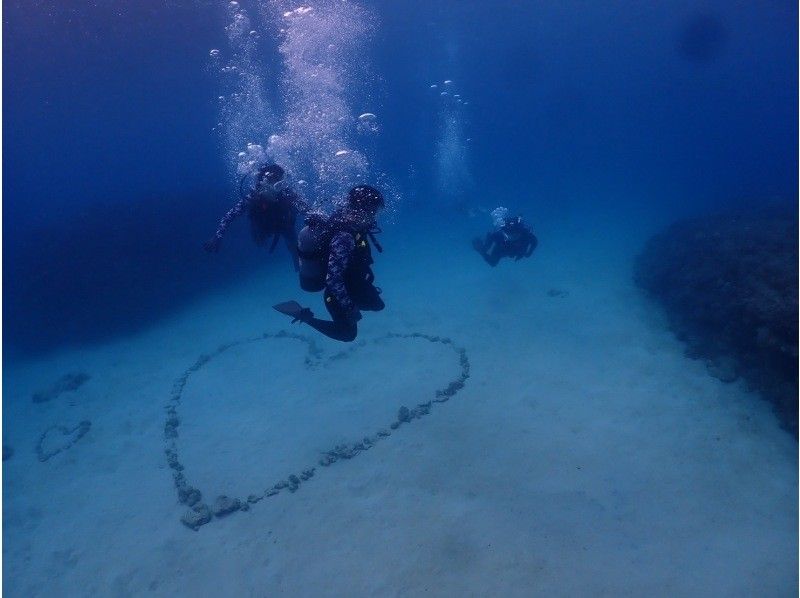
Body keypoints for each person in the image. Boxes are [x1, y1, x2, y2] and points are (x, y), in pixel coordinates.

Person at [273, 185, 385, 342]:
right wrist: (349, 307)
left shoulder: (350, 222)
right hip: (335, 293)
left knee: (378, 305)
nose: (374, 217)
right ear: (362, 210)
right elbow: (333, 280)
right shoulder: (344, 236)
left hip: (351, 282)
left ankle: (354, 300)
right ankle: (303, 316)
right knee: (348, 334)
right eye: (374, 212)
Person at [204, 163, 307, 270]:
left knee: (294, 246)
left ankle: (299, 268)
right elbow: (229, 216)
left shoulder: (287, 194)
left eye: (279, 181)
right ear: (262, 182)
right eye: (272, 180)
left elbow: (307, 210)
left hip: (284, 225)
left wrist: (317, 220)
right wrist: (217, 236)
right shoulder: (252, 198)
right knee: (260, 240)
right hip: (262, 226)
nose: (277, 186)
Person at [472, 207, 538, 266]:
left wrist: (529, 253)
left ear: (520, 233)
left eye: (515, 235)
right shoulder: (499, 236)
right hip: (503, 248)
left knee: (491, 258)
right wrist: (481, 250)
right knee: (492, 262)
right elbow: (488, 245)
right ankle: (479, 246)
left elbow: (534, 241)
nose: (512, 238)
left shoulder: (525, 234)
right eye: (509, 235)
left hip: (518, 250)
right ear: (504, 233)